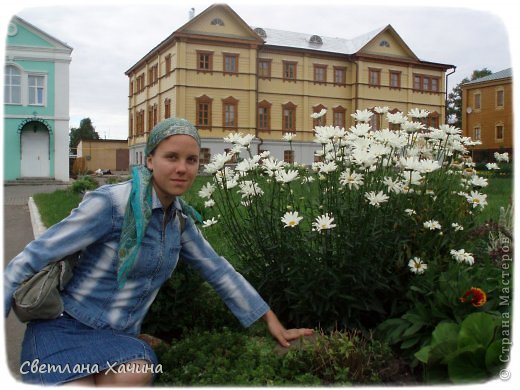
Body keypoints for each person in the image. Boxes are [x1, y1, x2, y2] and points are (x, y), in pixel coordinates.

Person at [3, 118, 313, 386]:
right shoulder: (111, 204)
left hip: (117, 339)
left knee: (135, 374)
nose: (182, 168)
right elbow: (33, 257)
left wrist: (271, 320)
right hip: (64, 326)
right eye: (172, 157)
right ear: (150, 160)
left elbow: (217, 269)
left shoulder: (178, 220)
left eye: (191, 160)